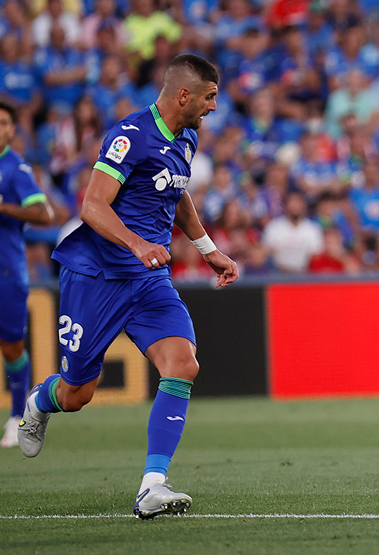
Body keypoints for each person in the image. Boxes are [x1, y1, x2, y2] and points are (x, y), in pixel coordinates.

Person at [17, 54, 239, 518]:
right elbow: (92, 206)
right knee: (78, 393)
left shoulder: (187, 138)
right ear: (184, 95)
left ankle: (152, 485)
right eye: (210, 97)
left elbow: (176, 194)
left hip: (148, 280)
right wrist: (137, 243)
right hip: (97, 276)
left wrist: (206, 248)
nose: (214, 107)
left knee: (183, 363)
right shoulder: (130, 135)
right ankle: (40, 401)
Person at [0, 100, 54, 448]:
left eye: (5, 123)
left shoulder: (14, 168)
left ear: (11, 130)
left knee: (11, 346)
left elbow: (44, 213)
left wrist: (3, 206)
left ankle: (18, 416)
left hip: (6, 271)